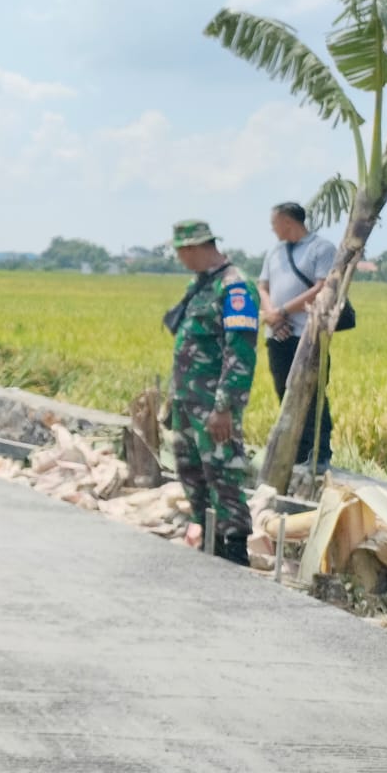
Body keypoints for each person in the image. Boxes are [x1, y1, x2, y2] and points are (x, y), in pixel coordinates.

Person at [164, 220, 259, 565]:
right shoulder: (200, 284)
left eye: (181, 251)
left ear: (196, 248)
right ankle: (210, 546)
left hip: (213, 405)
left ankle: (235, 552)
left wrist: (225, 406)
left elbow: (240, 351)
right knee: (192, 473)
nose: (179, 258)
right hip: (187, 401)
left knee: (223, 474)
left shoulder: (235, 288)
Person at [258, 201, 335, 471]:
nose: (272, 228)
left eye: (274, 223)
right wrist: (272, 315)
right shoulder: (275, 251)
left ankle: (318, 453)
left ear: (288, 222)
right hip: (277, 334)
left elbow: (322, 288)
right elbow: (263, 286)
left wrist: (282, 311)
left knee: (312, 394)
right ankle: (295, 452)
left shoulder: (321, 248)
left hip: (307, 334)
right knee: (284, 391)